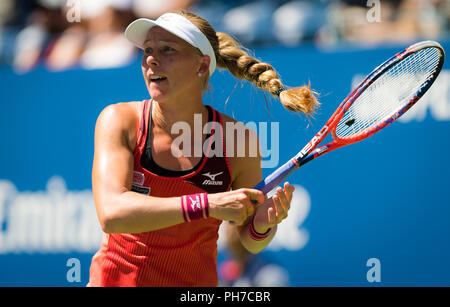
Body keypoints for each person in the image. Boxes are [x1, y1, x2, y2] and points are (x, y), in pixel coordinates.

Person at [88, 10, 318, 287]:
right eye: (147, 49)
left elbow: (250, 240)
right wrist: (207, 204)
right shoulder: (119, 120)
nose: (151, 58)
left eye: (167, 49)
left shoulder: (238, 141)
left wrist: (263, 225)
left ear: (201, 65)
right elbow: (112, 214)